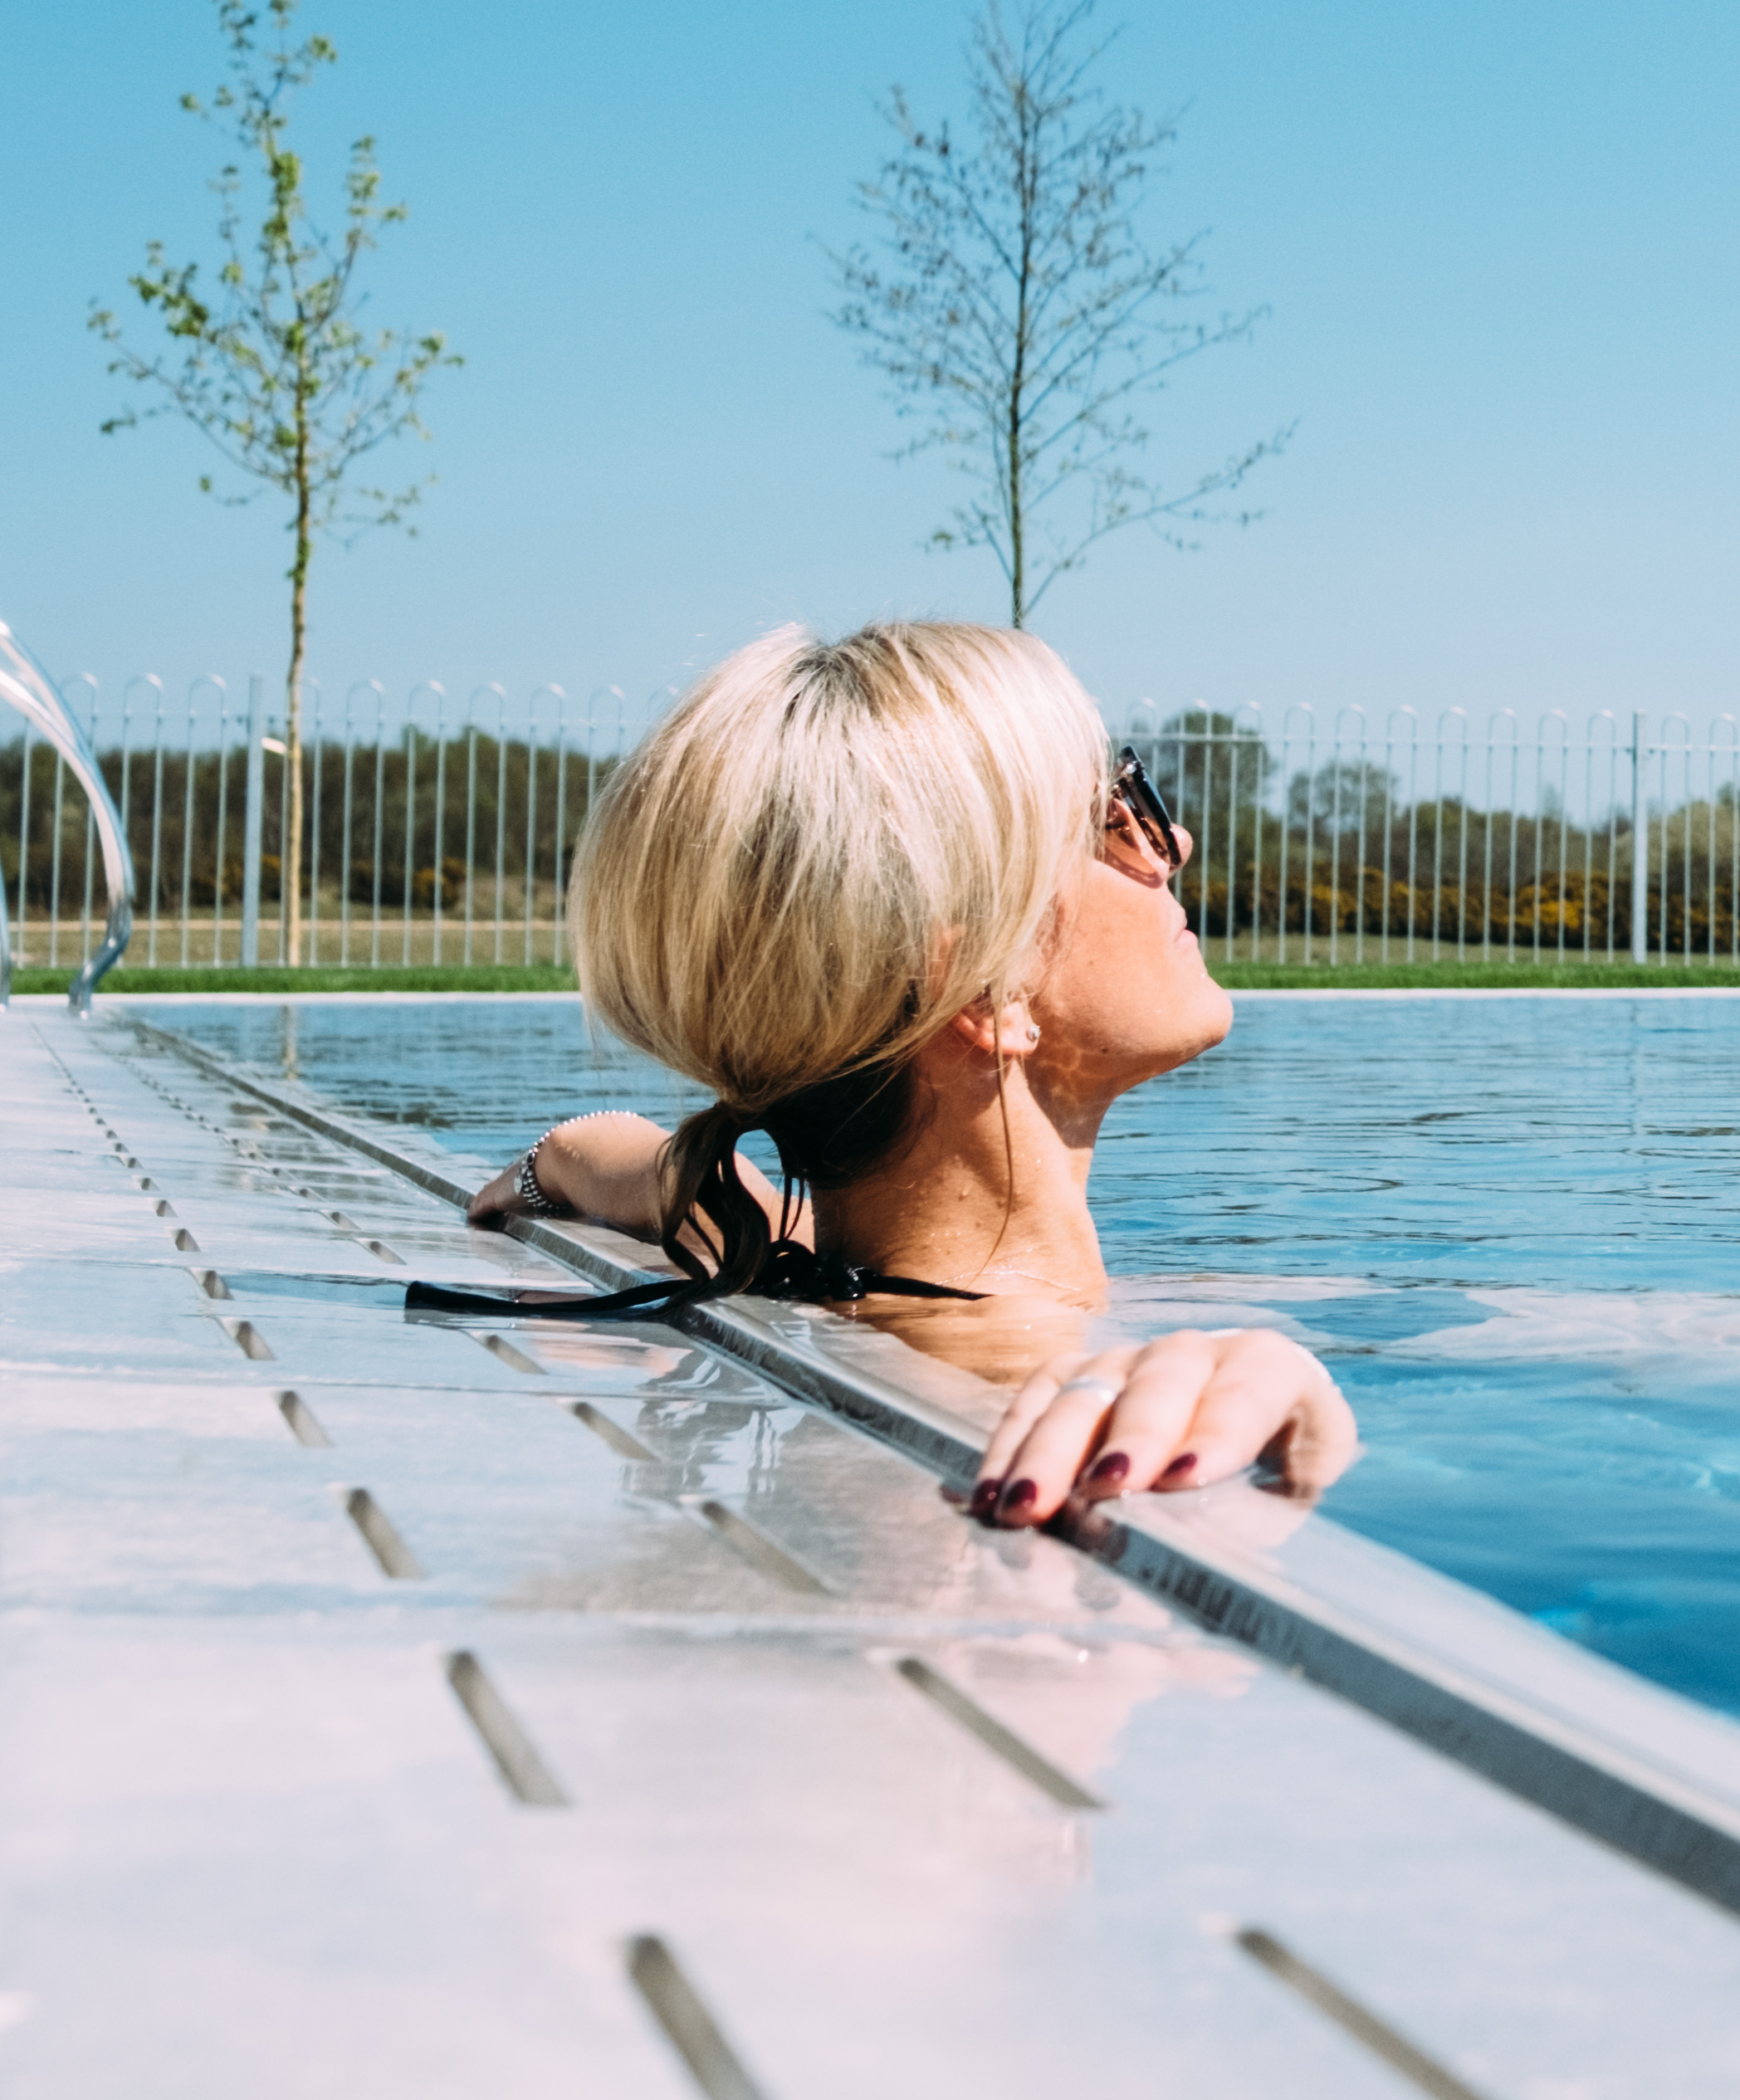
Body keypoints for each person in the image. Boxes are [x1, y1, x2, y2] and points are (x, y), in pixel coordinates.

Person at [453, 618, 1354, 1531]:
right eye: (1112, 820)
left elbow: (650, 1165)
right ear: (991, 992)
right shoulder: (1002, 1378)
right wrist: (1274, 1386)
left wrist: (557, 1160)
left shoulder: (826, 1258)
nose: (1176, 843)